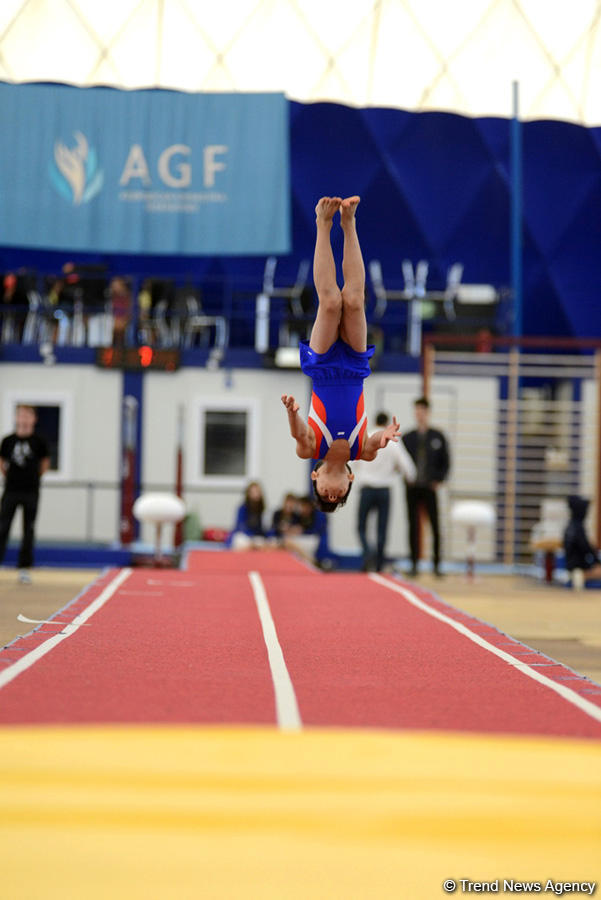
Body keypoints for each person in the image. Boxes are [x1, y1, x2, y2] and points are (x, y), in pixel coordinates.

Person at [281, 196, 401, 513]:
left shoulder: (309, 451)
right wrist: (386, 434)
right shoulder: (364, 452)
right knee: (356, 299)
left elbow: (299, 433)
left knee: (331, 302)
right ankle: (349, 222)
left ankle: (323, 222)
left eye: (325, 493)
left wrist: (293, 413)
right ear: (351, 478)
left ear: (315, 477)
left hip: (323, 370)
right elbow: (376, 440)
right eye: (340, 495)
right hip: (354, 369)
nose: (332, 492)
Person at [355, 411, 417, 571]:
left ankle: (368, 553)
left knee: (361, 526)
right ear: (386, 423)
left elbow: (356, 463)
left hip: (367, 488)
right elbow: (408, 468)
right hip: (384, 489)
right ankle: (379, 563)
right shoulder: (392, 441)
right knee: (382, 528)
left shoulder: (365, 436)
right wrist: (409, 478)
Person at [0, 404, 50, 583]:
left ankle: (24, 567)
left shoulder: (39, 441)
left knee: (28, 529)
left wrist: (35, 477)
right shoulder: (8, 441)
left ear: (33, 419)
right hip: (11, 490)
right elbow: (2, 461)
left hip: (31, 491)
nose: (23, 419)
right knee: (3, 527)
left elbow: (45, 462)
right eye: (20, 415)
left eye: (27, 416)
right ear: (16, 418)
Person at [402, 396, 450, 576]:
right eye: (417, 411)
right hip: (412, 488)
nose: (419, 414)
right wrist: (407, 478)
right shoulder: (408, 437)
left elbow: (446, 462)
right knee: (413, 526)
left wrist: (439, 479)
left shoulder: (438, 436)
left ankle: (437, 565)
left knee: (435, 525)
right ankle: (414, 564)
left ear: (428, 413)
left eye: (422, 411)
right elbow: (402, 462)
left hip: (430, 488)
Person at [563, 495, 601, 583]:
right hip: (579, 569)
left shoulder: (570, 527)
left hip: (572, 566)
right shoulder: (577, 528)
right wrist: (597, 562)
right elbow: (587, 549)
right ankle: (582, 577)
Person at [227, 481, 267, 550]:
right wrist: (251, 539)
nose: (256, 494)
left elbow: (262, 529)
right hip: (244, 536)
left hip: (256, 537)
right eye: (253, 492)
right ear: (248, 494)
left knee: (263, 543)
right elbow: (239, 527)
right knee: (239, 540)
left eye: (257, 492)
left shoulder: (261, 509)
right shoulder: (242, 508)